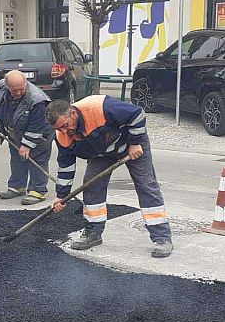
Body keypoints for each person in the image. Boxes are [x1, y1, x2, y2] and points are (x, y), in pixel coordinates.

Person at [46, 95, 173, 258]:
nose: (65, 131)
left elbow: (137, 114)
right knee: (91, 185)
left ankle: (162, 237)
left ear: (73, 113)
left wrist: (135, 142)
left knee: (146, 185)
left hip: (131, 145)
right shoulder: (62, 136)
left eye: (65, 125)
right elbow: (66, 167)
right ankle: (93, 233)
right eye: (59, 129)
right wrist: (61, 196)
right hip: (102, 153)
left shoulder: (99, 108)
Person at [0, 70, 54, 205]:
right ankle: (17, 186)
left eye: (21, 89)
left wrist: (26, 145)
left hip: (40, 133)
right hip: (15, 130)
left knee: (37, 160)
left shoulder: (37, 100)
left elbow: (36, 127)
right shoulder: (1, 86)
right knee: (17, 158)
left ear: (25, 83)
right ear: (7, 86)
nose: (18, 92)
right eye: (14, 90)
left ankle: (37, 191)